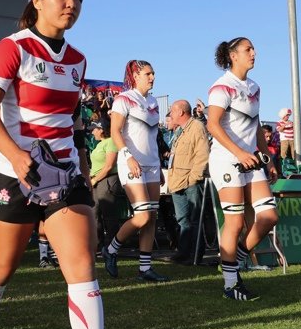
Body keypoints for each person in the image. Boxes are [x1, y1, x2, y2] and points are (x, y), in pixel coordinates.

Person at [0, 0, 141, 329]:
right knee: (1, 268)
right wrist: (15, 154)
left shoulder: (78, 60)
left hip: (64, 178)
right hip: (14, 175)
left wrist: (81, 164)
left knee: (82, 265)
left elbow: (73, 122)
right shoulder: (11, 49)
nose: (71, 4)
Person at [206, 37, 279, 301]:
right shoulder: (222, 86)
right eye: (248, 49)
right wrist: (239, 153)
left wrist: (267, 158)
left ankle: (233, 259)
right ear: (233, 55)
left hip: (252, 161)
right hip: (227, 160)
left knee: (269, 216)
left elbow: (256, 125)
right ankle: (230, 284)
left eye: (253, 49)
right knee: (235, 222)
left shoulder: (254, 87)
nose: (254, 53)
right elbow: (212, 125)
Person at [102, 60, 167, 282]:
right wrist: (127, 156)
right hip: (131, 163)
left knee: (152, 218)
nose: (153, 77)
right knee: (142, 216)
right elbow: (115, 131)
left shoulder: (152, 102)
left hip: (152, 164)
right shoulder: (123, 99)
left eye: (154, 73)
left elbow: (153, 138)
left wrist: (158, 166)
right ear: (136, 75)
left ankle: (145, 269)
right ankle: (110, 249)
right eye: (148, 73)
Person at [166, 100, 210, 265]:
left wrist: (194, 178)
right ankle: (183, 252)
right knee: (182, 220)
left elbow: (202, 154)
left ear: (181, 112)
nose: (170, 114)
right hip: (177, 182)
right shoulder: (180, 131)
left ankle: (196, 253)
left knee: (195, 219)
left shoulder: (197, 127)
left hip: (190, 182)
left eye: (172, 111)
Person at [88, 119, 119, 247]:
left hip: (107, 180)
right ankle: (98, 244)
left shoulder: (111, 142)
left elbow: (109, 166)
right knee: (94, 214)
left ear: (101, 129)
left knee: (108, 214)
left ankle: (112, 245)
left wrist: (94, 180)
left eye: (94, 129)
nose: (92, 132)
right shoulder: (99, 144)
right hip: (96, 181)